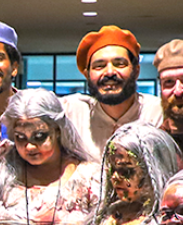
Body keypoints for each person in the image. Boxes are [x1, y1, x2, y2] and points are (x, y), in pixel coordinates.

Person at [0, 88, 100, 225]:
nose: (29, 147)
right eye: (21, 138)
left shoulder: (90, 177)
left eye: (39, 137)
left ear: (58, 130)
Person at [63, 26, 163, 154]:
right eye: (99, 66)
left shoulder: (158, 113)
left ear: (136, 70)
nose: (110, 72)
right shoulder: (72, 113)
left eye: (119, 64)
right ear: (87, 75)